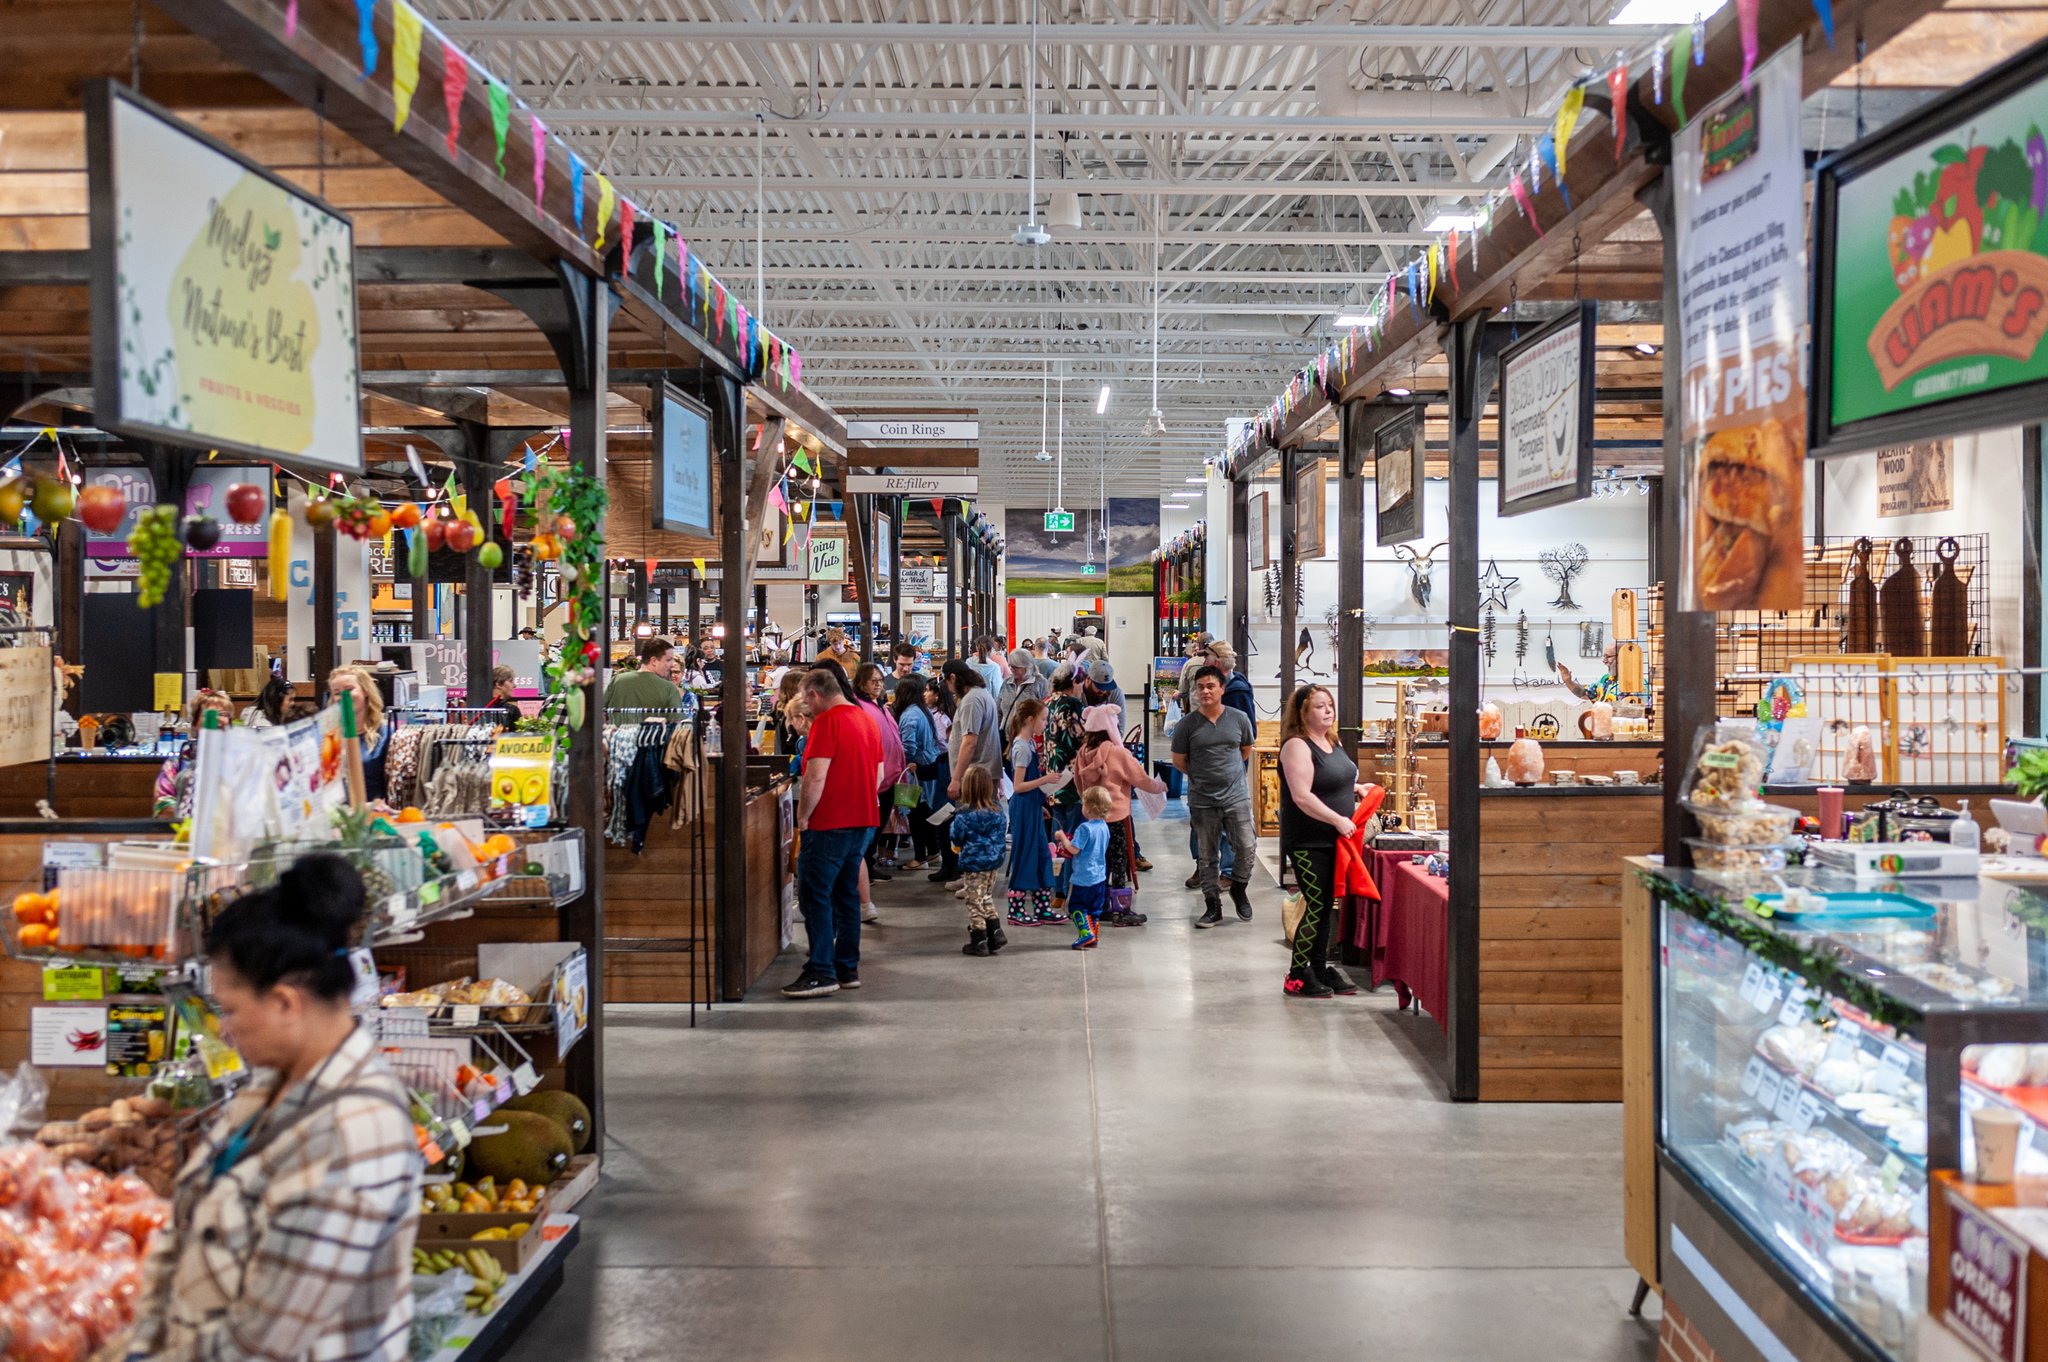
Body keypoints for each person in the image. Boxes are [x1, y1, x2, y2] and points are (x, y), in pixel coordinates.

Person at [129, 855, 420, 1362]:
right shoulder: (270, 1087)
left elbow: (262, 1343)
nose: (224, 1029)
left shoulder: (356, 1133)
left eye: (232, 1010)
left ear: (286, 1003)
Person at [782, 667, 883, 999]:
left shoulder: (827, 722)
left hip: (830, 822)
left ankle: (821, 970)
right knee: (846, 894)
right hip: (864, 819)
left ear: (814, 694)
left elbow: (815, 776)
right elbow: (880, 773)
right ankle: (846, 966)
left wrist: (803, 817)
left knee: (815, 896)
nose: (807, 711)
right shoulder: (867, 718)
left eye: (807, 702)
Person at [1279, 685, 1373, 999]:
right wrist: (1337, 818)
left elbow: (1334, 777)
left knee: (1324, 906)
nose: (1328, 710)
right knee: (1317, 904)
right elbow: (1302, 796)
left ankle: (1318, 968)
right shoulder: (1297, 745)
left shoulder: (1331, 740)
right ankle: (1296, 975)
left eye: (1330, 704)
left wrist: (1357, 788)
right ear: (1303, 712)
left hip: (1336, 840)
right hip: (1308, 840)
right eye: (1320, 706)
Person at [1173, 664, 1258, 928]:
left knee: (1246, 846)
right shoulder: (1187, 725)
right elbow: (1179, 761)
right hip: (1202, 800)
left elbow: (1245, 749)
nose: (1205, 691)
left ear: (1222, 689)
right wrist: (1202, 777)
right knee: (1207, 856)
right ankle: (1212, 906)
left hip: (1236, 796)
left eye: (1211, 686)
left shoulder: (1238, 718)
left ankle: (1238, 887)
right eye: (1200, 687)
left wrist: (1228, 775)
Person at [1071, 704, 1166, 926]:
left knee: (1098, 860)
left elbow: (1077, 783)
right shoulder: (1117, 752)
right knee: (1119, 861)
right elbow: (1140, 779)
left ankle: (1101, 905)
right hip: (1117, 817)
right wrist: (1159, 788)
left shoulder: (1083, 753)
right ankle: (1122, 910)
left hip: (1093, 818)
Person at [1183, 640, 1252, 887]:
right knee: (1200, 820)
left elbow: (1246, 738)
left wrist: (1229, 765)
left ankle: (1228, 871)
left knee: (1226, 822)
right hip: (1202, 771)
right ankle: (1203, 866)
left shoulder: (1237, 690)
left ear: (1218, 663)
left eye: (1208, 657)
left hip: (1228, 773)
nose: (1204, 661)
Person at [931, 660, 1002, 885]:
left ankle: (973, 878)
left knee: (973, 827)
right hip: (981, 772)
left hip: (974, 776)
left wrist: (956, 778)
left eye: (946, 680)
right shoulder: (981, 695)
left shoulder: (972, 700)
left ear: (953, 678)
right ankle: (971, 876)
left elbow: (969, 741)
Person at [1003, 698, 1063, 926]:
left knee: (1040, 855)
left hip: (1032, 807)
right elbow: (1018, 786)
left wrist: (1039, 804)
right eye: (1043, 719)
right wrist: (1046, 779)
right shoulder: (1021, 747)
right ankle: (1015, 910)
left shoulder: (1026, 744)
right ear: (1030, 719)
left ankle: (1042, 907)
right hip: (1023, 808)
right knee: (1025, 856)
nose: (1045, 724)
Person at [854, 662, 906, 891]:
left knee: (879, 824)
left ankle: (870, 864)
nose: (877, 685)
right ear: (862, 683)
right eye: (872, 681)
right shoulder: (860, 707)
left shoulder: (881, 706)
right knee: (870, 827)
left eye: (880, 681)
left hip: (889, 777)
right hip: (874, 779)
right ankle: (864, 866)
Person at [1040, 663, 1088, 909]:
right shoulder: (1073, 705)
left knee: (1057, 838)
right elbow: (1084, 737)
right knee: (1074, 838)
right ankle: (1071, 889)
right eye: (1081, 683)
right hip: (1074, 781)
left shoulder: (1048, 702)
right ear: (1073, 682)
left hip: (1053, 780)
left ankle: (1056, 890)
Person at [950, 766, 1009, 957]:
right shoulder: (998, 812)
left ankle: (979, 940)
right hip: (993, 863)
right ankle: (996, 932)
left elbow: (956, 837)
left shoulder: (963, 816)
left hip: (974, 863)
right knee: (986, 897)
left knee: (974, 900)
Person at [153, 689, 237, 818]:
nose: (218, 719)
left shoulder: (240, 761)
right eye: (209, 714)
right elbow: (163, 807)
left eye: (224, 714)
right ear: (195, 724)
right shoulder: (176, 764)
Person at [1052, 786, 1116, 950]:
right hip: (1099, 877)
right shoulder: (1104, 827)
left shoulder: (1084, 828)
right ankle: (1094, 936)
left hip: (1082, 877)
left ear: (1087, 808)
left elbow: (1074, 850)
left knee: (1076, 907)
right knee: (1094, 909)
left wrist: (1062, 838)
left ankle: (1085, 933)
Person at [892, 677, 945, 871]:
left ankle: (920, 857)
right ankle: (932, 851)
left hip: (916, 769)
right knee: (927, 811)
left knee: (916, 814)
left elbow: (908, 746)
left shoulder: (909, 715)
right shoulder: (922, 712)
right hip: (929, 763)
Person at [604, 637, 684, 711]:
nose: (670, 665)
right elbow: (677, 722)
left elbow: (601, 711)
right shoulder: (669, 688)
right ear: (654, 661)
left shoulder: (617, 680)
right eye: (668, 660)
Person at [996, 647, 1050, 732]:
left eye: (1016, 667)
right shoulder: (1007, 682)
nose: (1012, 670)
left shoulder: (1040, 683)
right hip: (1006, 736)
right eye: (1011, 666)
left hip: (1029, 737)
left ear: (1027, 666)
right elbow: (998, 710)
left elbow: (1046, 713)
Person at [488, 664, 523, 729]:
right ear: (498, 684)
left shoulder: (478, 706)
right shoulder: (512, 710)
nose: (515, 685)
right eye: (511, 681)